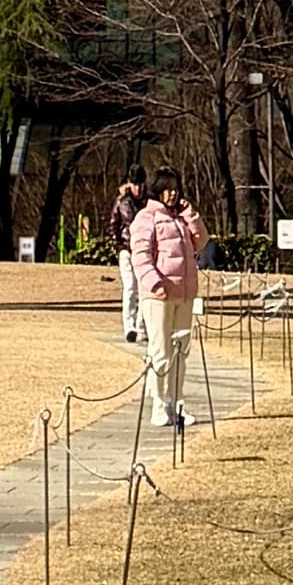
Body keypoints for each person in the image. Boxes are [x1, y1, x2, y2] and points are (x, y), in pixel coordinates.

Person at [128, 179, 206, 438]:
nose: (171, 194)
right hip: (158, 295)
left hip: (184, 294)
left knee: (180, 351)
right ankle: (159, 405)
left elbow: (201, 242)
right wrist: (154, 282)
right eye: (166, 189)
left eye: (175, 189)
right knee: (160, 351)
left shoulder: (180, 218)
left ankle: (176, 402)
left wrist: (191, 215)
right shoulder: (146, 217)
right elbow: (140, 256)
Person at [108, 175, 149, 349]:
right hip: (126, 248)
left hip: (144, 249)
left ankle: (141, 325)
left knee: (143, 288)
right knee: (130, 287)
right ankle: (129, 326)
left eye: (140, 184)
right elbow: (113, 223)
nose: (137, 188)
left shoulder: (149, 201)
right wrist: (119, 243)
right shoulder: (122, 201)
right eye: (134, 184)